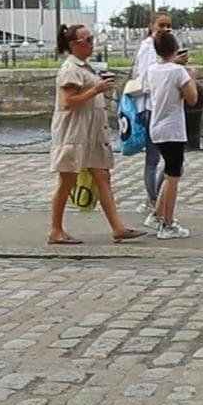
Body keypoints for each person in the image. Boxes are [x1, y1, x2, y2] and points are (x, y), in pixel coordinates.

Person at [48, 24, 144, 245]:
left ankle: (118, 228)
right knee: (67, 180)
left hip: (91, 132)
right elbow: (68, 101)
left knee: (103, 177)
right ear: (74, 45)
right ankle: (55, 229)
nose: (92, 44)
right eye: (88, 40)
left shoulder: (85, 66)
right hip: (74, 133)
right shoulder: (70, 68)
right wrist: (96, 89)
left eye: (92, 39)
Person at [144, 29, 199, 239]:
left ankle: (157, 213)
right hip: (173, 129)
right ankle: (167, 224)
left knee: (169, 172)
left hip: (156, 127)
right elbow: (192, 98)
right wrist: (191, 77)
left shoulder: (152, 70)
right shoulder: (178, 72)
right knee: (174, 176)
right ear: (175, 49)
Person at [132, 12, 171, 226]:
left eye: (168, 26)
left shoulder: (161, 46)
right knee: (154, 159)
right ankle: (154, 199)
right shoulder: (149, 47)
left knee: (166, 159)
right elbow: (146, 80)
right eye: (161, 25)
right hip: (149, 107)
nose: (165, 29)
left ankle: (156, 197)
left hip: (159, 107)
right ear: (152, 26)